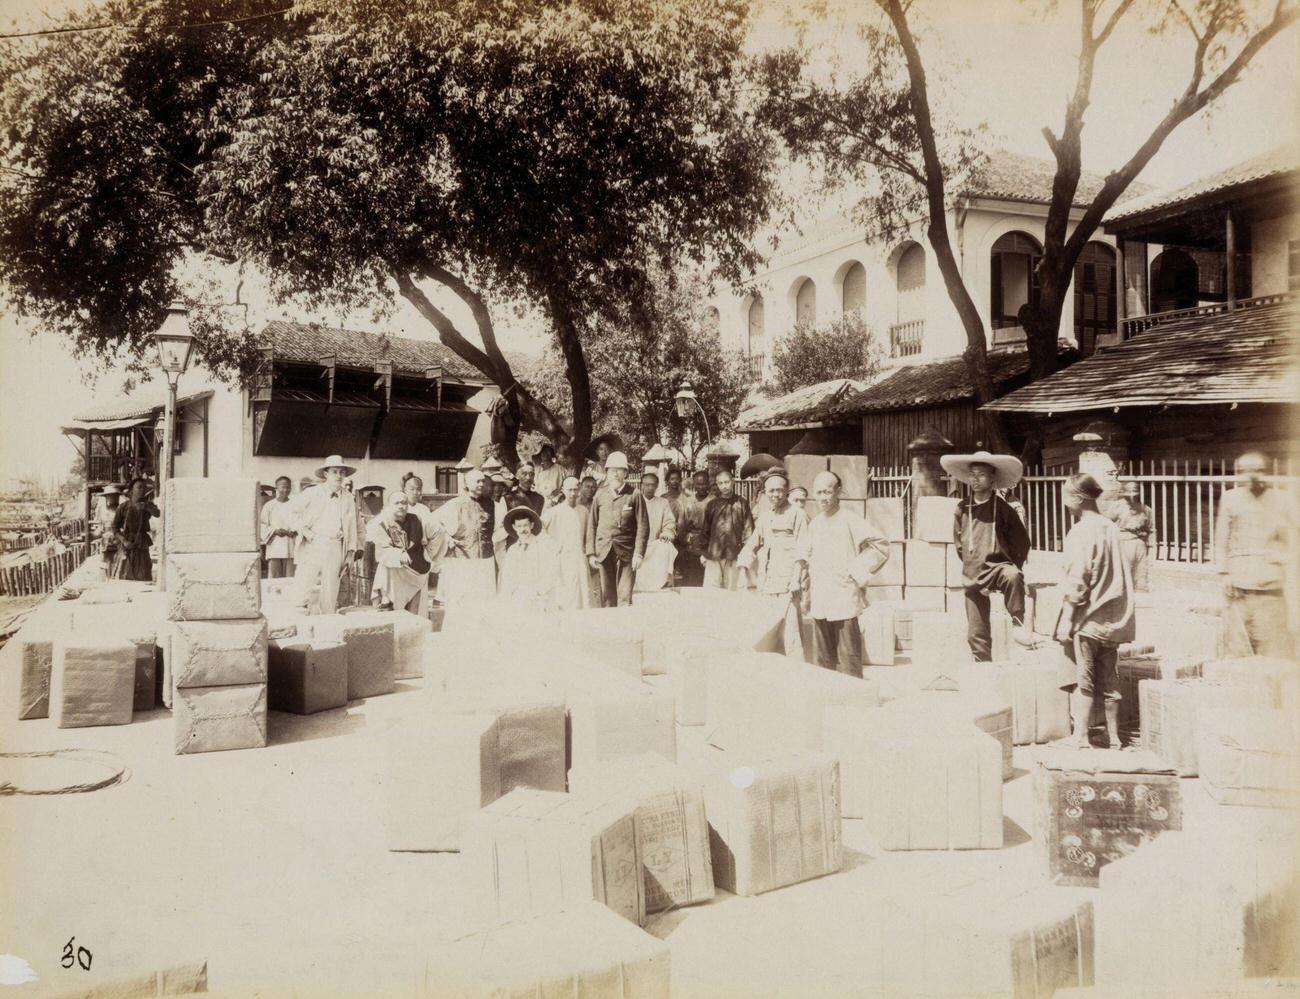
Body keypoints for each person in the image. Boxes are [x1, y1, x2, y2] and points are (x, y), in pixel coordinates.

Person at [1053, 473, 1136, 749]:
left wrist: (1066, 618)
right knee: (1110, 678)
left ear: (1077, 498)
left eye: (1066, 495)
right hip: (1113, 618)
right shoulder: (1110, 527)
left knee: (1084, 678)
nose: (1064, 501)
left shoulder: (1081, 531)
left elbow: (1079, 578)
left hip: (1089, 617)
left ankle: (1081, 737)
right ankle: (1114, 738)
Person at [940, 450, 1034, 661]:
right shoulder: (962, 508)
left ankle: (1018, 622)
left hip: (999, 567)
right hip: (973, 573)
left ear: (992, 478)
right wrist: (972, 564)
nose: (975, 479)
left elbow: (1021, 541)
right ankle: (983, 670)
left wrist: (1012, 563)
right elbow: (959, 544)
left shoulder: (1003, 508)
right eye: (972, 474)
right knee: (976, 633)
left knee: (1013, 576)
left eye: (981, 474)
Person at [793, 470, 889, 675]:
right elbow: (805, 554)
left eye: (827, 492)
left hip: (844, 596)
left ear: (839, 492)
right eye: (818, 492)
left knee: (848, 657)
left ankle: (855, 701)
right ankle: (826, 699)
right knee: (822, 660)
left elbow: (880, 545)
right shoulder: (815, 524)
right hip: (821, 598)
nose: (823, 498)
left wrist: (856, 569)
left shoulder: (849, 519)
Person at [1215, 451, 1294, 658]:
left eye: (1258, 470)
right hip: (1238, 584)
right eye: (1244, 471)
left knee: (1273, 648)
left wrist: (1285, 556)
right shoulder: (1230, 498)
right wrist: (1224, 573)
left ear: (1268, 472)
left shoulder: (1283, 499)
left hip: (1270, 584)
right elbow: (1222, 538)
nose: (1251, 476)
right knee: (1238, 647)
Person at [429, 469, 497, 626]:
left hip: (485, 560)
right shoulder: (455, 504)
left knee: (483, 600)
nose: (481, 484)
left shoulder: (491, 504)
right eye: (477, 481)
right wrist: (447, 537)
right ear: (467, 483)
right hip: (462, 560)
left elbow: (499, 529)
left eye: (482, 481)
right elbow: (432, 520)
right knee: (461, 600)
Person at [293, 455, 360, 614]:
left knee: (330, 590)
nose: (338, 476)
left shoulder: (349, 497)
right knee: (304, 584)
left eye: (342, 472)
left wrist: (351, 551)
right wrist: (306, 532)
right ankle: (298, 619)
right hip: (314, 543)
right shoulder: (312, 493)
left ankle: (327, 624)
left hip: (336, 545)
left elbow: (352, 527)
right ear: (326, 474)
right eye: (334, 472)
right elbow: (291, 512)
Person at [586, 451, 646, 607]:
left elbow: (643, 526)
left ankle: (625, 629)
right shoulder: (599, 495)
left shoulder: (634, 494)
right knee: (607, 597)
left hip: (626, 553)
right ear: (606, 472)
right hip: (604, 551)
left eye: (619, 470)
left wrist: (638, 554)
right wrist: (591, 553)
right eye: (612, 470)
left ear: (625, 472)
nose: (615, 474)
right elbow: (592, 524)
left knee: (624, 597)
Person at [739, 469, 804, 595]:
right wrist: (742, 569)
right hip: (766, 579)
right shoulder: (765, 517)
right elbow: (751, 545)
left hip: (789, 582)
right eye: (771, 491)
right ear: (765, 492)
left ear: (786, 491)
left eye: (779, 490)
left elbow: (803, 549)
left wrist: (796, 579)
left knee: (789, 615)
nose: (775, 494)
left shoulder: (797, 514)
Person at [371, 491, 431, 615]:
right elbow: (382, 551)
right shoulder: (383, 524)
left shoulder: (416, 519)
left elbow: (437, 533)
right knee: (384, 567)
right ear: (389, 506)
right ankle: (387, 601)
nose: (401, 506)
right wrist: (399, 554)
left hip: (417, 569)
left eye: (404, 503)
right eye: (396, 503)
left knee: (416, 615)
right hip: (397, 570)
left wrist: (433, 555)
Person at [544, 476, 591, 610]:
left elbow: (588, 534)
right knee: (565, 594)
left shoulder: (583, 511)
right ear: (563, 490)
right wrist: (553, 547)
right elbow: (539, 528)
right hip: (562, 559)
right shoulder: (554, 511)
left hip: (579, 557)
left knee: (582, 593)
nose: (573, 494)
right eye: (569, 490)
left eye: (575, 490)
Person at [499, 506, 558, 612]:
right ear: (514, 527)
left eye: (525, 525)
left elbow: (551, 573)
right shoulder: (512, 550)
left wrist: (537, 592)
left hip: (540, 598)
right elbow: (507, 577)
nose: (523, 530)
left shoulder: (542, 546)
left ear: (532, 525)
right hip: (518, 598)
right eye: (519, 526)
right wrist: (511, 594)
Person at [701, 469, 753, 590]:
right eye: (720, 483)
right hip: (713, 554)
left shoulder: (742, 503)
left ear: (733, 481)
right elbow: (705, 531)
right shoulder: (712, 504)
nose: (724, 486)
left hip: (734, 553)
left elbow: (749, 529)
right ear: (717, 485)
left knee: (732, 590)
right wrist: (704, 554)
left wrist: (745, 554)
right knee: (712, 591)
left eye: (726, 482)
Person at [1107, 480, 1154, 593]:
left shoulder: (1145, 509)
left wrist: (1152, 549)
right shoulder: (1116, 507)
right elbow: (1107, 525)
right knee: (1123, 573)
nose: (1132, 496)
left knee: (1141, 574)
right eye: (1129, 493)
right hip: (1123, 542)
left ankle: (1140, 597)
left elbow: (1151, 530)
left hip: (1140, 543)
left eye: (1135, 492)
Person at [111, 477, 160, 581]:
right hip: (127, 543)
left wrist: (147, 507)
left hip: (142, 544)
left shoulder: (148, 505)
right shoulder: (123, 507)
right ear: (132, 491)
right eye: (139, 487)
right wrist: (124, 541)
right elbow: (114, 527)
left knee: (144, 574)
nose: (142, 490)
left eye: (144, 488)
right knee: (126, 574)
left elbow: (158, 514)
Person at [634, 471, 677, 591]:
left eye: (652, 485)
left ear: (657, 486)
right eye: (646, 485)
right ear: (641, 485)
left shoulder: (663, 503)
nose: (649, 488)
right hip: (638, 546)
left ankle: (662, 584)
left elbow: (669, 522)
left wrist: (667, 533)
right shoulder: (634, 501)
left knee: (666, 546)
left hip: (655, 544)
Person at [260, 475, 298, 579]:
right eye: (283, 487)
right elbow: (262, 525)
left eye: (288, 487)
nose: (285, 490)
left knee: (291, 578)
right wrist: (275, 531)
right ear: (276, 488)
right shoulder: (269, 506)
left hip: (291, 546)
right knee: (274, 579)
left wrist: (295, 531)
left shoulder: (296, 505)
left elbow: (300, 523)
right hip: (275, 546)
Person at [504, 463, 545, 548]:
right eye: (524, 474)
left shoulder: (539, 498)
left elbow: (542, 524)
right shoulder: (508, 498)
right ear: (517, 475)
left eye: (531, 474)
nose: (528, 478)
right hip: (514, 545)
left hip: (534, 545)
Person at [97, 484, 122, 577]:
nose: (111, 498)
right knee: (104, 563)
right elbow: (100, 527)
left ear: (117, 497)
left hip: (118, 539)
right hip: (105, 541)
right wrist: (96, 534)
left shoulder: (121, 509)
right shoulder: (102, 510)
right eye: (109, 496)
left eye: (114, 496)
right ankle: (105, 579)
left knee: (118, 563)